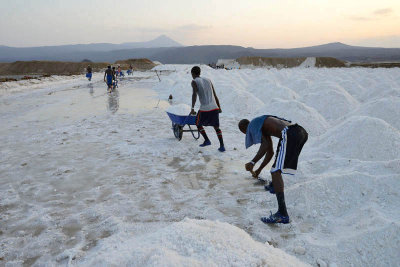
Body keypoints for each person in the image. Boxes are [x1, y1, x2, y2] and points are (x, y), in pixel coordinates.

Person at [238, 115, 308, 224]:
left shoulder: (252, 125)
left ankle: (282, 214)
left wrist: (252, 162)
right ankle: (274, 185)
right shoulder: (260, 122)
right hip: (300, 132)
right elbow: (270, 151)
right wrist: (259, 170)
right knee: (276, 167)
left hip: (290, 134)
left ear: (244, 129)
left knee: (275, 171)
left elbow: (265, 146)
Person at [190, 66, 225, 152]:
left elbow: (194, 94)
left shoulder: (194, 81)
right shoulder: (208, 80)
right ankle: (222, 146)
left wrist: (192, 108)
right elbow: (215, 95)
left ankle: (207, 140)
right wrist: (219, 107)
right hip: (214, 107)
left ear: (192, 74)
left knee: (197, 123)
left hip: (205, 108)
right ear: (200, 72)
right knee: (216, 127)